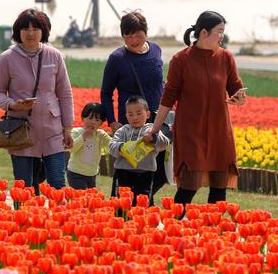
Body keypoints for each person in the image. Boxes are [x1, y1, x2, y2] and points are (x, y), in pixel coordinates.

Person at [147, 11, 245, 206]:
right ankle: (175, 223)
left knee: (219, 187)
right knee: (188, 185)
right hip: (190, 132)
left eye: (223, 31)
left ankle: (214, 225)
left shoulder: (226, 57)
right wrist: (155, 129)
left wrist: (239, 98)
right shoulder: (181, 60)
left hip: (219, 130)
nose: (222, 36)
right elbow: (168, 98)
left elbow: (236, 87)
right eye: (219, 31)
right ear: (204, 33)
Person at [0, 8, 74, 192]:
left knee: (58, 186)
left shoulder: (54, 55)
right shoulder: (7, 58)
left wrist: (68, 128)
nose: (30, 33)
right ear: (17, 31)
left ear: (43, 31)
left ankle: (59, 213)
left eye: (36, 29)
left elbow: (65, 93)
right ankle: (25, 211)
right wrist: (12, 104)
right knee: (25, 188)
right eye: (25, 29)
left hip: (52, 130)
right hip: (21, 130)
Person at [101, 11, 168, 196]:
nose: (133, 40)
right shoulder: (117, 58)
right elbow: (106, 93)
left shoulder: (156, 50)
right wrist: (113, 122)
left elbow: (159, 84)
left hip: (155, 122)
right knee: (127, 172)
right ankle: (122, 206)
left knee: (158, 171)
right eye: (128, 36)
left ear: (146, 32)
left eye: (138, 35)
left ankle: (144, 202)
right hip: (131, 124)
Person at [109, 96, 169, 204]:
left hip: (145, 174)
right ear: (126, 116)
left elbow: (165, 143)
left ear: (148, 114)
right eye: (130, 114)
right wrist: (122, 147)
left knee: (143, 204)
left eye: (139, 113)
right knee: (121, 203)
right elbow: (112, 147)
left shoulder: (152, 130)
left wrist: (153, 139)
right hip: (123, 173)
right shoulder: (123, 131)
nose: (135, 117)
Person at [67, 102, 112, 190]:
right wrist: (84, 135)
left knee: (90, 197)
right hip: (75, 173)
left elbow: (112, 144)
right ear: (83, 118)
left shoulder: (100, 135)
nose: (93, 122)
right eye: (90, 118)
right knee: (82, 196)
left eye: (97, 120)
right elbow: (72, 148)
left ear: (101, 123)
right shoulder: (77, 132)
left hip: (92, 174)